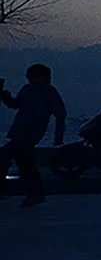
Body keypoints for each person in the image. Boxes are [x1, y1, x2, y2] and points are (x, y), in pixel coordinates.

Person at [0, 63, 66, 208]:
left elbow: (60, 115)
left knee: (11, 159)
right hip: (19, 131)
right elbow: (14, 104)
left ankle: (32, 194)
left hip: (31, 134)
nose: (30, 79)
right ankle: (35, 195)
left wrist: (58, 137)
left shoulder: (50, 93)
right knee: (25, 164)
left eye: (33, 76)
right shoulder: (27, 90)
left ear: (43, 77)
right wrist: (4, 95)